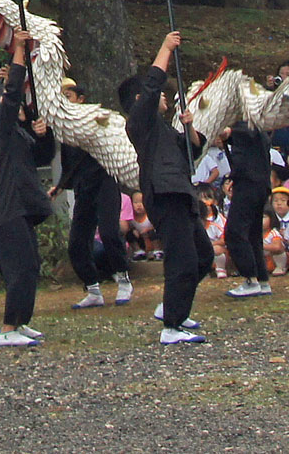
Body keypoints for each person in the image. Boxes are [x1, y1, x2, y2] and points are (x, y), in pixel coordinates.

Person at [121, 31, 212, 345]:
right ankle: (171, 325)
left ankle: (177, 309)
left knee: (203, 255)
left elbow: (193, 150)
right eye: (159, 95)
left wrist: (189, 128)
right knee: (181, 259)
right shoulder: (139, 123)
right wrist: (165, 49)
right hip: (164, 192)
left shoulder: (163, 129)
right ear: (139, 102)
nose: (164, 97)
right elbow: (152, 85)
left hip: (181, 191)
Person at [0, 30, 53, 346]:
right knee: (18, 267)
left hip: (21, 205)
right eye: (8, 104)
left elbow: (41, 155)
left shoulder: (16, 134)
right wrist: (18, 51)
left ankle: (22, 321)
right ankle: (8, 327)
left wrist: (43, 134)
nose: (18, 108)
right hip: (6, 207)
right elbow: (12, 95)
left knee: (31, 264)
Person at [51, 84, 132, 310]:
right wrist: (59, 186)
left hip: (105, 180)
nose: (65, 101)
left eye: (68, 96)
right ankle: (92, 288)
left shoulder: (94, 118)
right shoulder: (64, 129)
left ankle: (123, 278)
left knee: (109, 231)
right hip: (83, 186)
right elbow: (69, 165)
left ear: (81, 98)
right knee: (77, 241)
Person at [221, 121, 272, 298]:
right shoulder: (256, 130)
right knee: (252, 234)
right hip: (256, 183)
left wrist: (230, 130)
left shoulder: (250, 125)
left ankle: (250, 278)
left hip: (250, 183)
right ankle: (261, 278)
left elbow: (249, 130)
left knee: (235, 232)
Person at [261, 210, 288, 277]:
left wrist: (261, 246)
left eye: (263, 217)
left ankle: (280, 267)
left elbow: (277, 247)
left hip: (275, 259)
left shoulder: (273, 233)